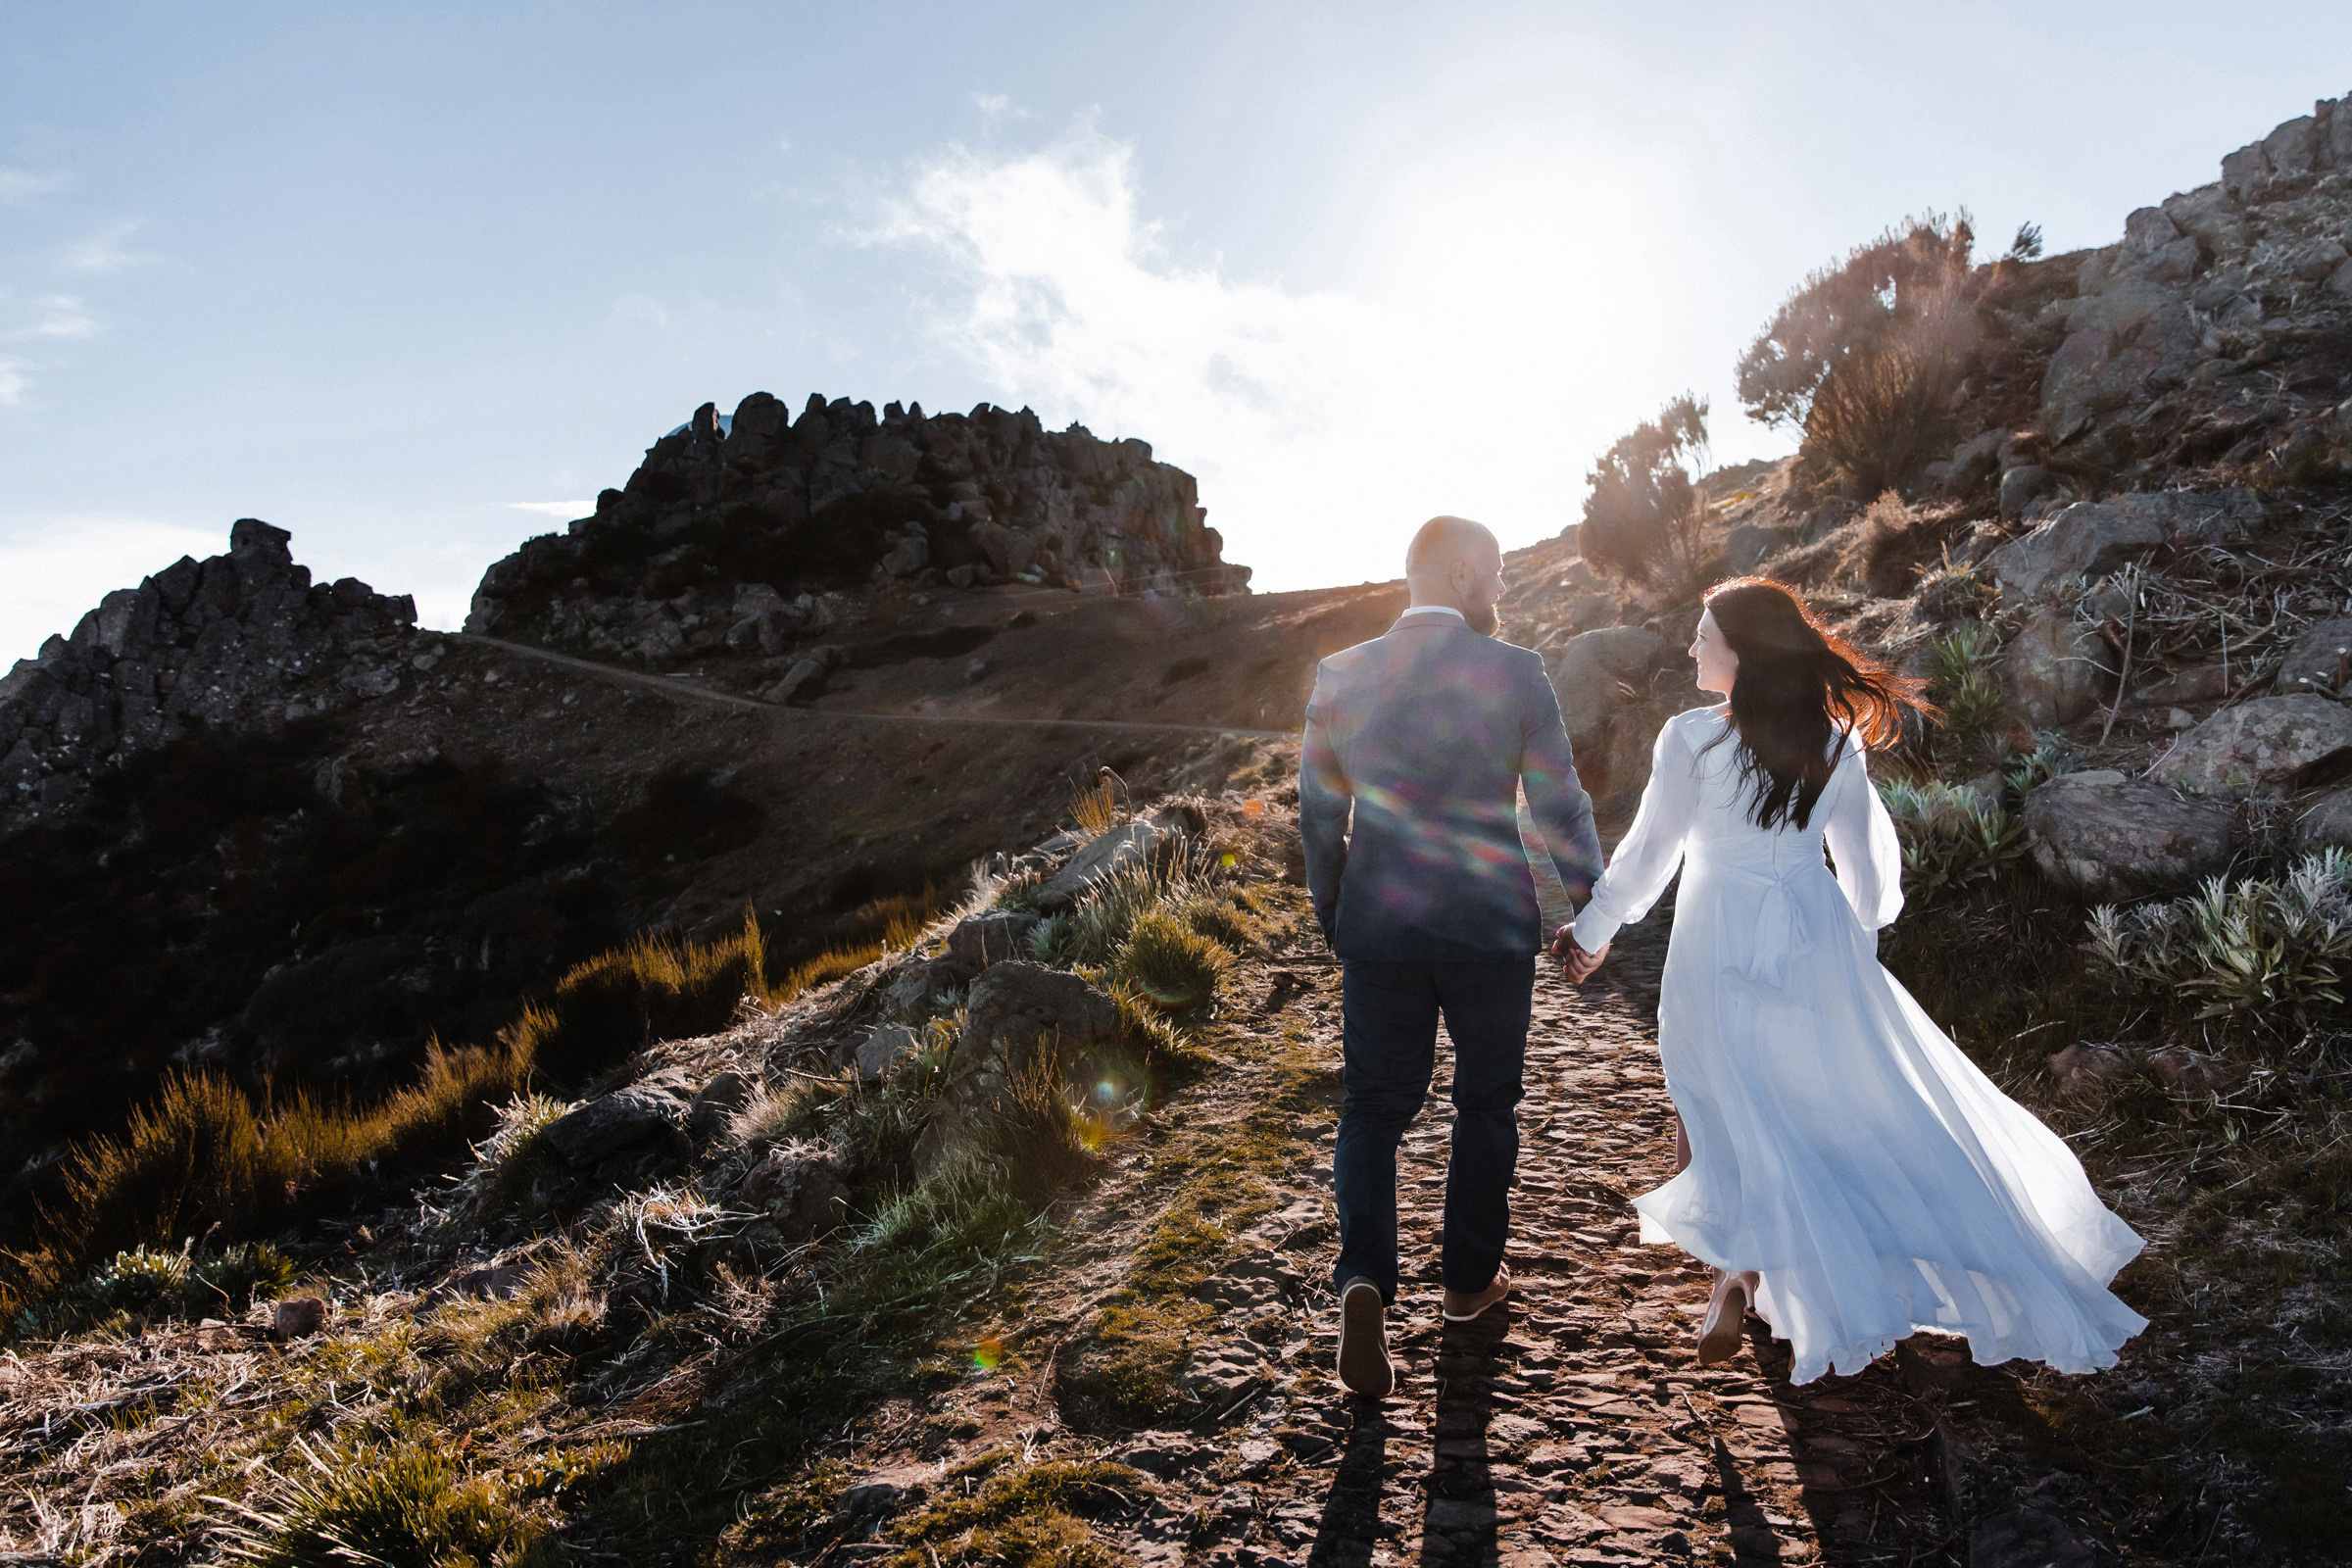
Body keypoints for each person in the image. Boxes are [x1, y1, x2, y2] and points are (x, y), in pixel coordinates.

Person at [1556, 577, 2146, 1384]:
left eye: (1704, 636)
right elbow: (1867, 861)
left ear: (1743, 652)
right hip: (1812, 929)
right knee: (1814, 1098)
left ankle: (1736, 1267)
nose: (1692, 647)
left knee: (1707, 1086)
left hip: (1716, 931)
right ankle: (1784, 1264)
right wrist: (1857, 942)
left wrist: (1593, 931)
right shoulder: (1835, 740)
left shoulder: (1690, 737)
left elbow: (1650, 854)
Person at [1299, 515, 1606, 1398]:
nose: (1502, 589)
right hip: (1488, 927)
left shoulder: (1341, 672)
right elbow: (1559, 801)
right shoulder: (1516, 670)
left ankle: (1364, 1278)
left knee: (1372, 1108)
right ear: (1463, 573)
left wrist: (1336, 912)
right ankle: (1469, 1285)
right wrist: (1592, 908)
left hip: (1380, 927)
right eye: (1497, 573)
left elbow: (1318, 813)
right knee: (1486, 1103)